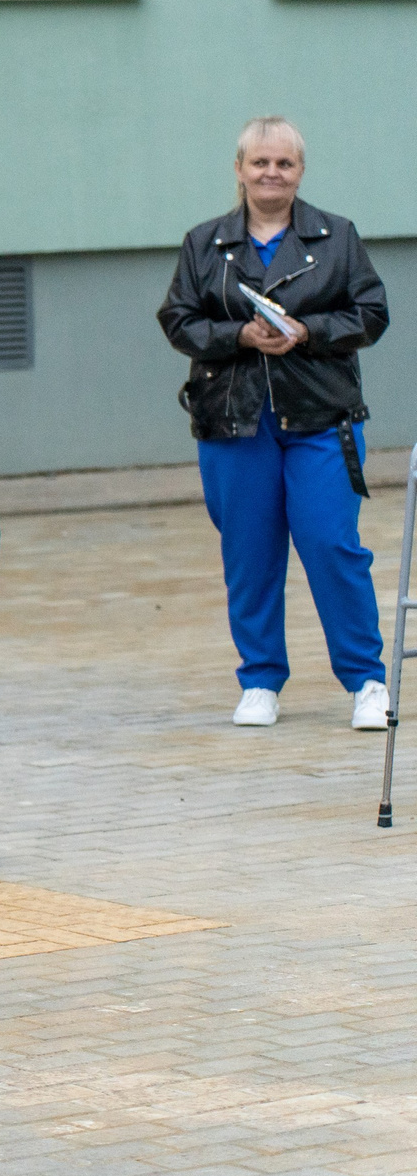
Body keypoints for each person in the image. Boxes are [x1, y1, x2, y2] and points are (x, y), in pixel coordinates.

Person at [158, 116, 391, 731]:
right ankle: (260, 679)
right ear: (238, 170)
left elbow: (371, 314)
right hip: (235, 423)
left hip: (321, 417)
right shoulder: (204, 243)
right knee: (250, 553)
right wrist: (241, 334)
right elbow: (179, 320)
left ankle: (366, 680)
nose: (271, 173)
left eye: (284, 164)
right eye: (259, 163)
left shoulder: (337, 236)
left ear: (300, 172)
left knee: (332, 545)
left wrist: (307, 332)